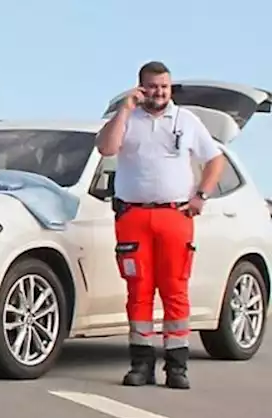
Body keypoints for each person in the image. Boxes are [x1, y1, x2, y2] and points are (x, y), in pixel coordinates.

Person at [95, 60, 226, 390]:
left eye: (164, 86)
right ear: (140, 87)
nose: (159, 92)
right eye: (152, 86)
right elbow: (106, 147)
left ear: (170, 88)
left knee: (174, 288)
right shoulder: (127, 120)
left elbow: (215, 159)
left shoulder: (186, 120)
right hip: (133, 217)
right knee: (138, 290)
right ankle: (141, 363)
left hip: (175, 216)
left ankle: (177, 366)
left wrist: (201, 195)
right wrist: (125, 110)